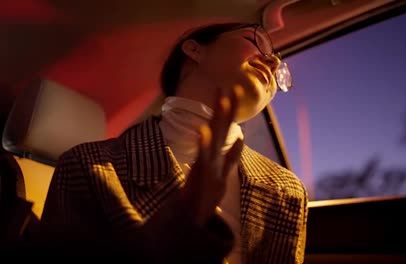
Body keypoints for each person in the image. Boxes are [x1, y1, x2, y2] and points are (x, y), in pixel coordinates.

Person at [36, 22, 308, 263]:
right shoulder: (86, 165)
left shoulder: (287, 189)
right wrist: (184, 223)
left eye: (278, 67)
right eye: (254, 41)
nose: (272, 64)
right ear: (194, 50)